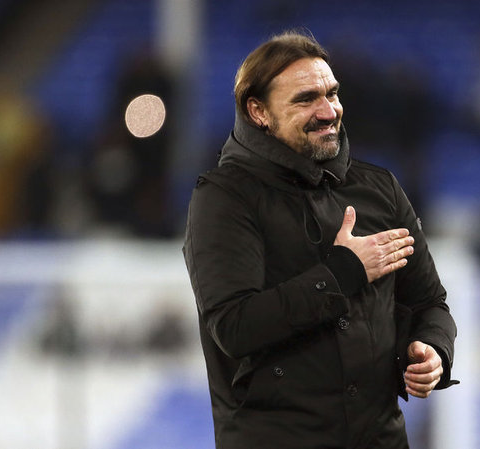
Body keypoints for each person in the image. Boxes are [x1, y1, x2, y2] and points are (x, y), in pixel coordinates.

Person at [183, 30, 457, 449]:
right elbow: (235, 327)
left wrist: (433, 348)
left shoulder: (380, 189)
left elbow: (429, 302)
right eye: (306, 99)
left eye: (332, 93)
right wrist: (343, 272)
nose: (329, 111)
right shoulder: (223, 198)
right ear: (258, 111)